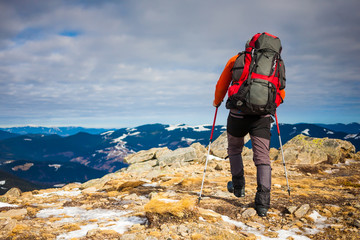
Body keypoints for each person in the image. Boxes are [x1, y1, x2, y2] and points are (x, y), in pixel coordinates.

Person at [213, 34, 286, 217]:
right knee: (262, 158)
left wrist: (217, 102)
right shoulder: (276, 64)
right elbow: (281, 89)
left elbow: (221, 84)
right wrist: (272, 105)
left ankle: (239, 187)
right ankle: (263, 203)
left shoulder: (236, 59)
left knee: (235, 149)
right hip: (262, 116)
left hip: (237, 114)